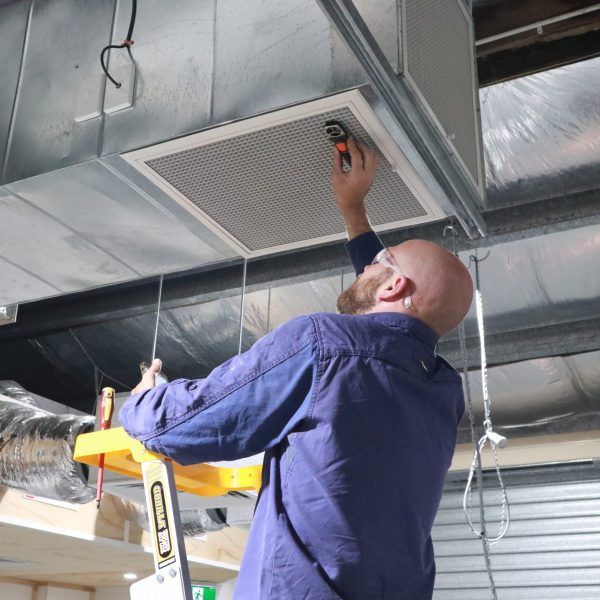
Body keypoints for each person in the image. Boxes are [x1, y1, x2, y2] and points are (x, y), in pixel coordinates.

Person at [120, 139, 473, 600]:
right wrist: (353, 212)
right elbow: (387, 326)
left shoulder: (322, 346)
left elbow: (184, 424)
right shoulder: (442, 391)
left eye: (379, 261)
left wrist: (141, 402)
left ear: (394, 285)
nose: (366, 264)